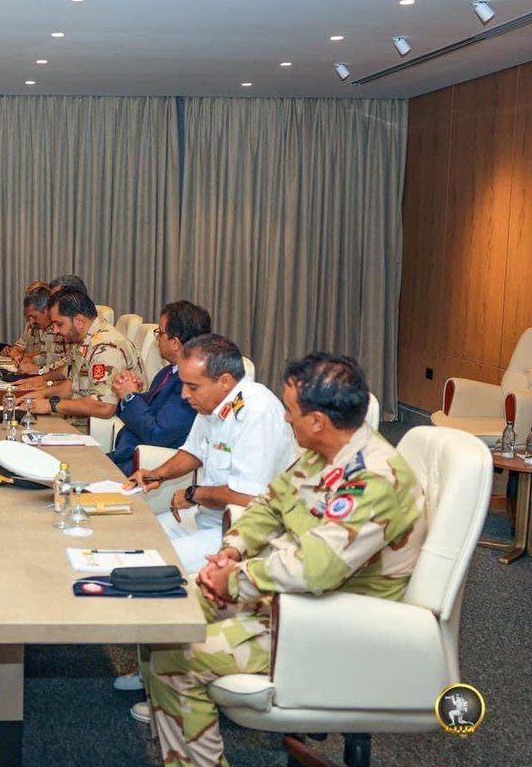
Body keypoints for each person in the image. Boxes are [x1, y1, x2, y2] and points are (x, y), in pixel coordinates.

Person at [138, 353, 427, 767]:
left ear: (317, 421)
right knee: (162, 616)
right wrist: (231, 550)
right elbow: (268, 507)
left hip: (331, 622)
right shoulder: (320, 453)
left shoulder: (373, 480)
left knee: (177, 658)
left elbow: (316, 568)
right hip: (287, 598)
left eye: (290, 412)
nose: (285, 420)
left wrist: (234, 580)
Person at [126, 334, 294, 574]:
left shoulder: (257, 412)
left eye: (192, 386)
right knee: (134, 536)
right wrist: (157, 474)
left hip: (241, 533)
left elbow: (248, 497)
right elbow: (194, 451)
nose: (184, 394)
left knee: (150, 563)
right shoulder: (211, 403)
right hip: (207, 518)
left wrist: (195, 494)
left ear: (224, 381)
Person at [107, 301, 211, 475]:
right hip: (125, 456)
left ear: (175, 343)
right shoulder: (167, 373)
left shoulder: (190, 387)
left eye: (160, 333)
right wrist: (128, 391)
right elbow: (144, 413)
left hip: (144, 467)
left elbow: (157, 435)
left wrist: (130, 397)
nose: (157, 338)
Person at [19, 290, 141, 432]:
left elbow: (104, 407)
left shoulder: (106, 346)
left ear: (79, 321)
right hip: (78, 422)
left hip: (95, 431)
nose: (55, 330)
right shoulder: (84, 340)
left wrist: (51, 404)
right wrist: (44, 394)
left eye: (59, 324)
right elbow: (72, 386)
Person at [3, 283, 66, 376]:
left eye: (34, 316)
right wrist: (29, 360)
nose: (31, 322)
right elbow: (46, 357)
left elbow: (68, 366)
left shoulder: (63, 328)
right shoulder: (44, 326)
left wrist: (39, 370)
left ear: (47, 309)